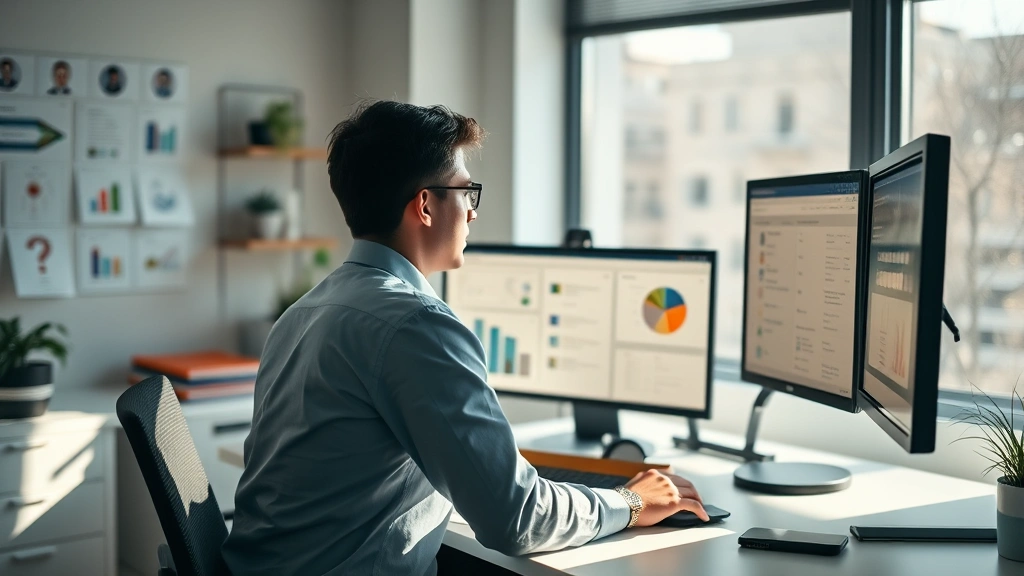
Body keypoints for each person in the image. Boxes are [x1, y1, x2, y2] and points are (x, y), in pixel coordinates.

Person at [221, 101, 708, 576]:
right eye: (466, 191)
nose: (473, 213)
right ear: (426, 205)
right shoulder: (416, 325)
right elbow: (516, 520)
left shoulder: (301, 313)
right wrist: (630, 499)